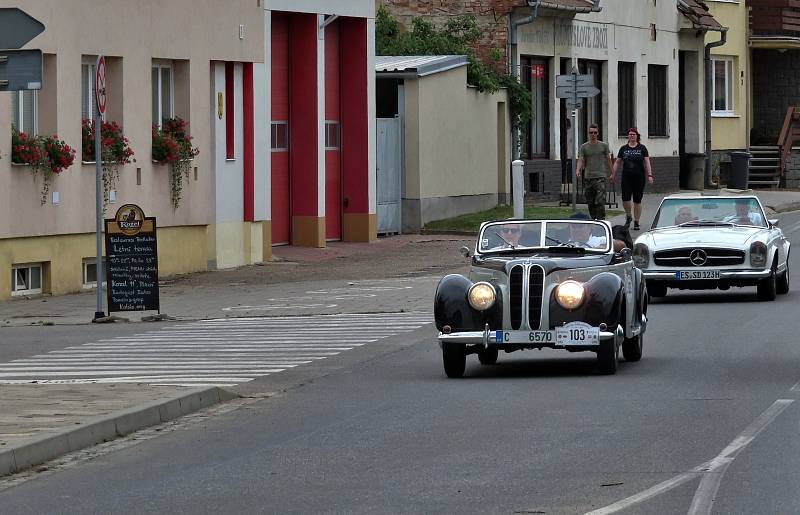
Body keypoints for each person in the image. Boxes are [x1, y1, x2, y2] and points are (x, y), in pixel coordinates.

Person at [613, 127, 653, 231]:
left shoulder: (642, 148)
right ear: (628, 136)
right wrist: (613, 174)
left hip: (639, 178)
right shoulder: (623, 149)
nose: (632, 136)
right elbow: (617, 162)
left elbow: (647, 162)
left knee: (637, 200)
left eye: (634, 134)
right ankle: (628, 216)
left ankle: (636, 221)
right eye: (630, 134)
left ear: (637, 136)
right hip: (626, 177)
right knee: (625, 198)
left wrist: (650, 175)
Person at [576, 124, 615, 221]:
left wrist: (612, 172)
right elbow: (581, 159)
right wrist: (578, 169)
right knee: (590, 201)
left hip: (600, 177)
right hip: (588, 177)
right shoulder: (584, 147)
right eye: (591, 132)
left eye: (595, 132)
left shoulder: (603, 146)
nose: (593, 134)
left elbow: (608, 159)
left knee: (600, 200)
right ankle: (593, 220)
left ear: (598, 133)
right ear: (588, 133)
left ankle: (601, 220)